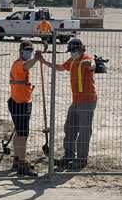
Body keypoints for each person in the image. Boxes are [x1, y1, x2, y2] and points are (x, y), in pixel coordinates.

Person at [40, 38, 97, 171]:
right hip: (76, 101)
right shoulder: (72, 61)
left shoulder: (86, 59)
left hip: (87, 101)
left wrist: (91, 64)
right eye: (70, 51)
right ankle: (69, 156)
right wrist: (43, 61)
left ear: (80, 49)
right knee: (70, 128)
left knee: (84, 131)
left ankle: (82, 160)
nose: (71, 53)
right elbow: (60, 67)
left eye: (73, 51)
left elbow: (92, 64)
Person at [8, 41, 42, 177]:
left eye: (31, 50)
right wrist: (36, 59)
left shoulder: (21, 64)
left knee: (19, 132)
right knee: (23, 135)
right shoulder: (18, 64)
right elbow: (26, 66)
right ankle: (22, 164)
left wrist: (35, 58)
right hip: (19, 104)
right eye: (26, 50)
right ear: (21, 51)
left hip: (21, 102)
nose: (28, 52)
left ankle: (17, 159)